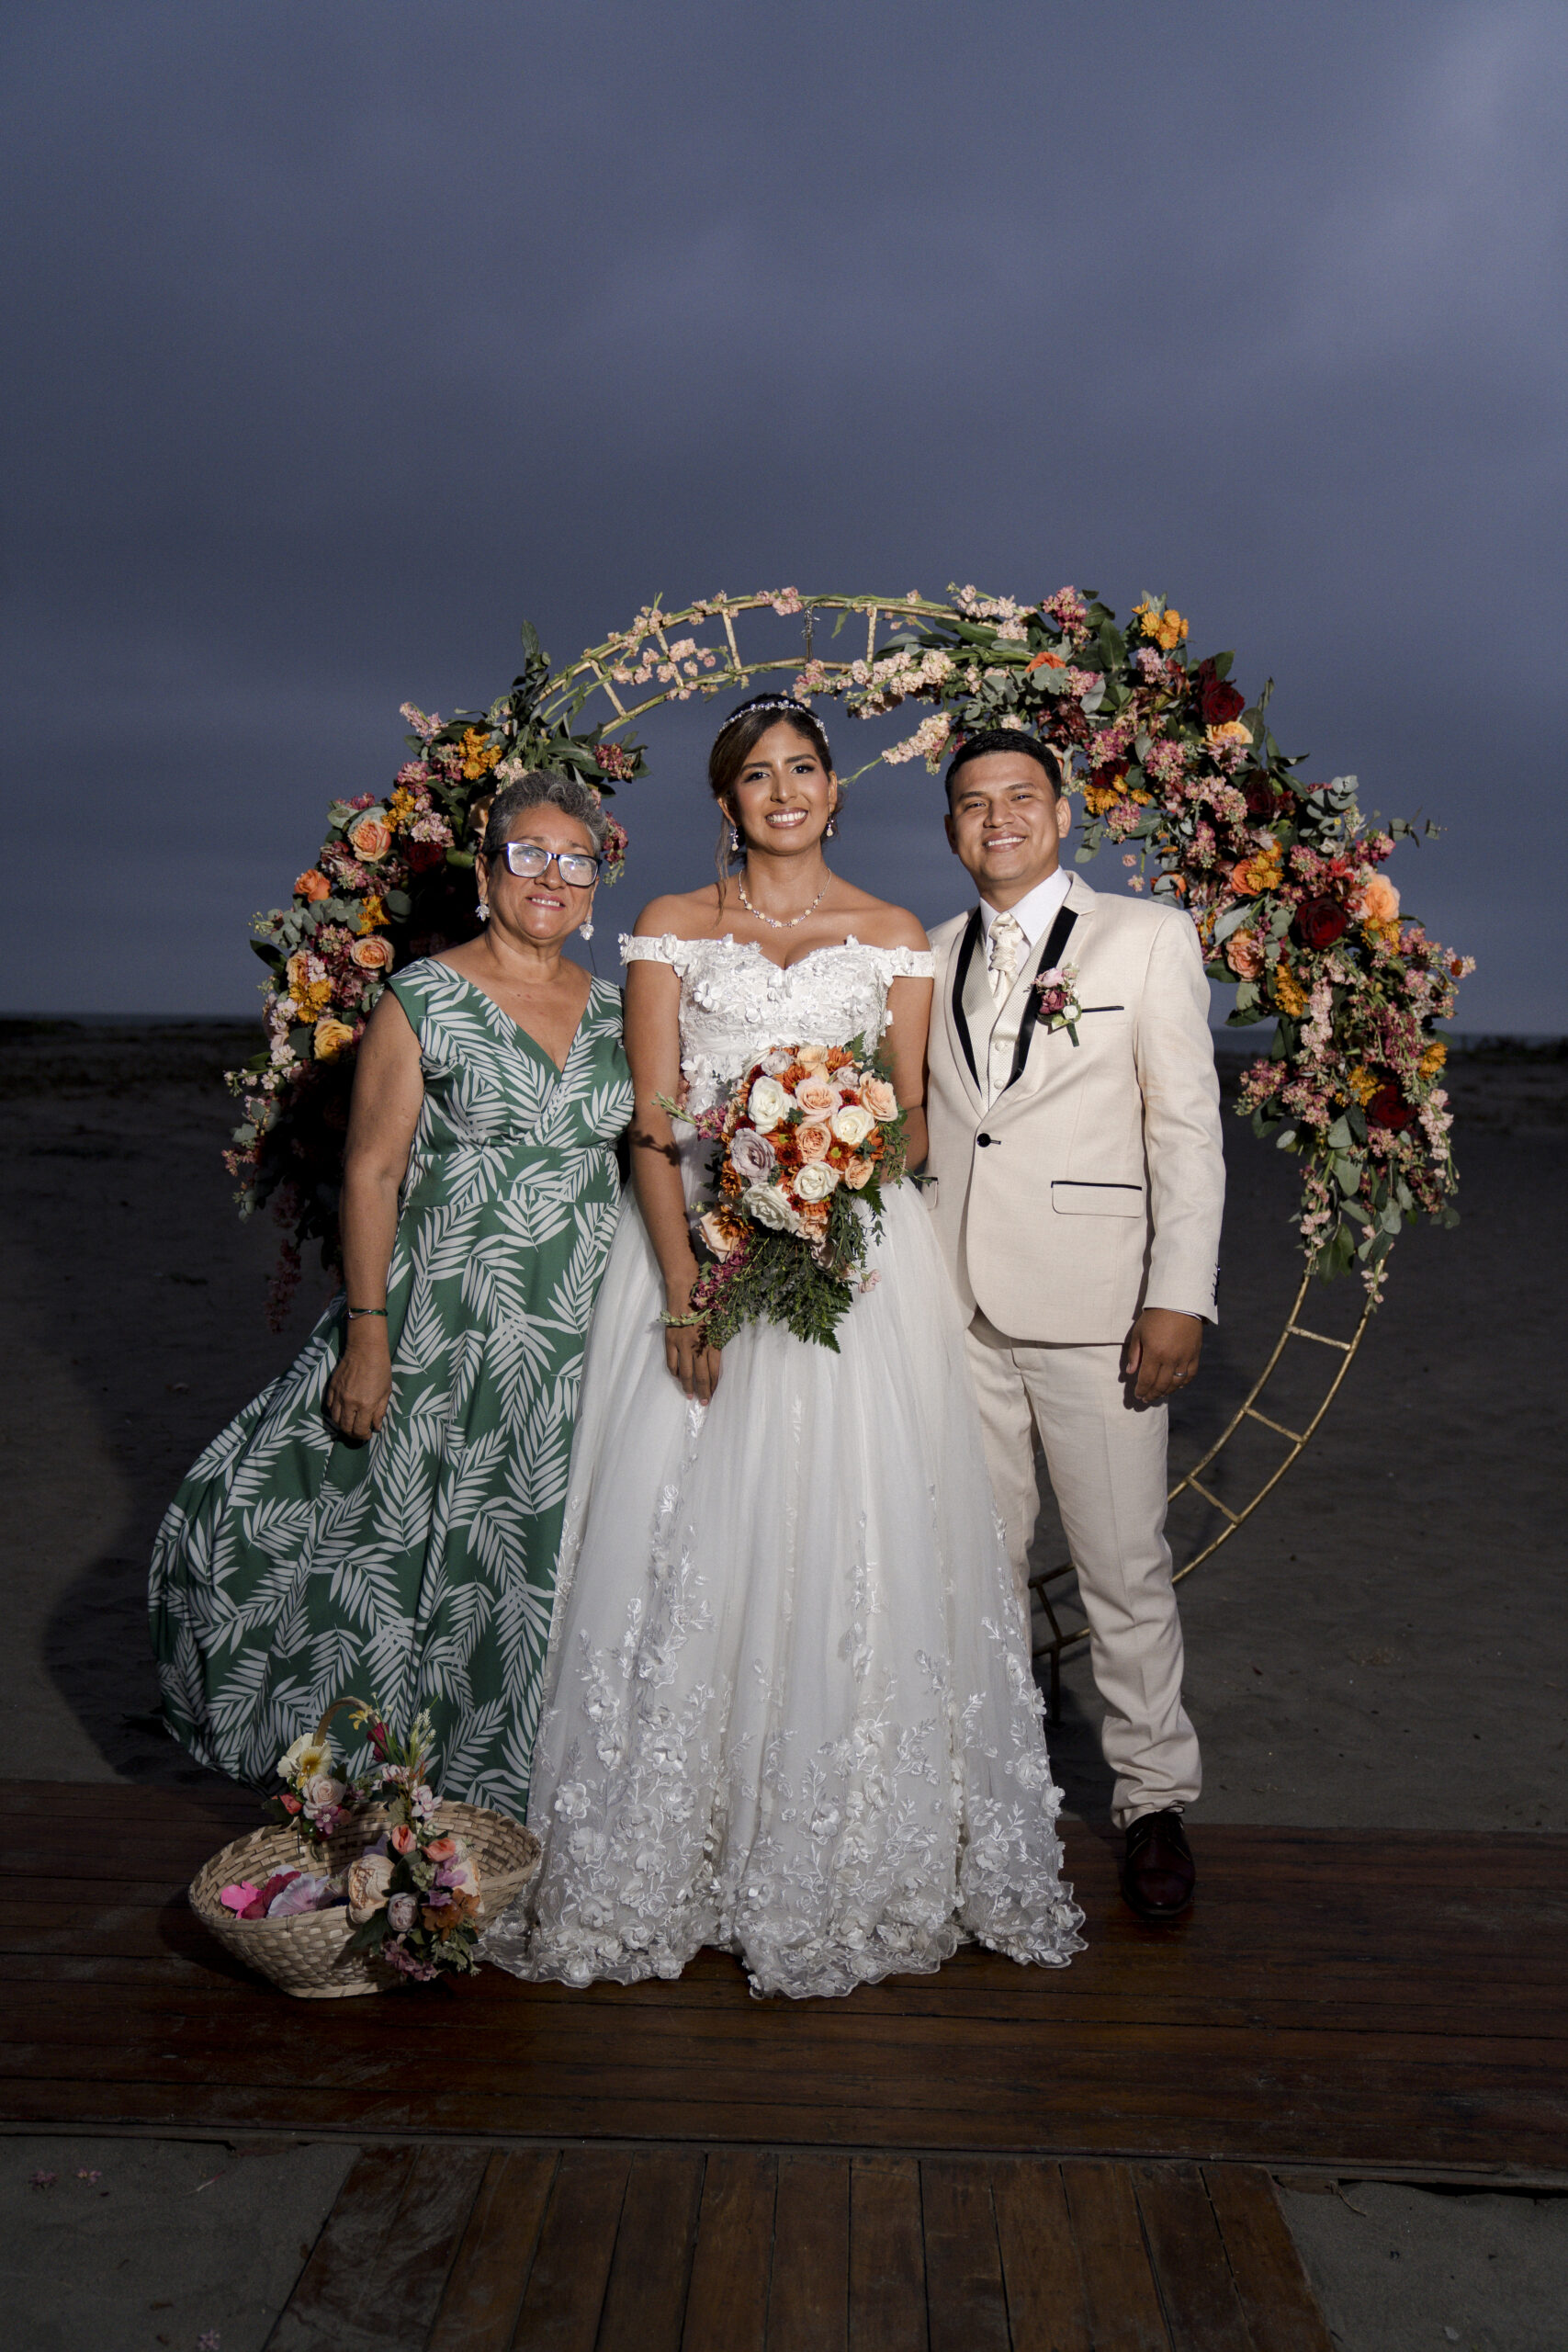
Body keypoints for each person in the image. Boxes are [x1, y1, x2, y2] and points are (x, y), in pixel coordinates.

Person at [483, 695, 1084, 2000]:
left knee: (854, 1532)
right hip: (699, 1253)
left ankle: (850, 1849)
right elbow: (652, 1122)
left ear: (832, 789)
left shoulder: (892, 935)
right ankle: (671, 1849)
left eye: (803, 768)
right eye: (756, 775)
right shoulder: (671, 928)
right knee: (684, 1535)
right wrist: (688, 1281)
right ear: (727, 804)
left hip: (852, 1265)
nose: (783, 791)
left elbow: (910, 1117)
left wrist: (824, 1165)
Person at [151, 772, 633, 1817]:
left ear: (597, 885)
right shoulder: (424, 997)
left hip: (580, 1328)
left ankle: (508, 1803)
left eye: (575, 860)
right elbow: (371, 1171)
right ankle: (378, 1794)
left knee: (534, 1559)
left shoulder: (622, 1010)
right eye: (529, 854)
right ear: (486, 871)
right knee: (398, 1545)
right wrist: (368, 1335)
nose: (551, 877)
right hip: (443, 1316)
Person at [922, 728, 1225, 1920]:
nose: (995, 817)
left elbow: (1184, 1130)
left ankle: (1153, 1802)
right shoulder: (929, 951)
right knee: (976, 1565)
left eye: (1019, 797)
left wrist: (1177, 1293)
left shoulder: (1145, 937)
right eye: (971, 802)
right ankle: (994, 1792)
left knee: (1122, 1568)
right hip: (953, 1307)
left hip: (1100, 1306)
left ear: (1060, 814)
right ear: (951, 827)